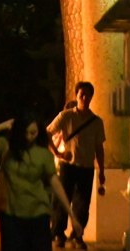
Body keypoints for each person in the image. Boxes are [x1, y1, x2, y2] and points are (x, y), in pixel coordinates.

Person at [0, 113, 82, 251]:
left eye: (33, 132)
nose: (29, 137)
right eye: (25, 132)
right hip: (11, 215)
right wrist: (4, 125)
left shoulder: (43, 154)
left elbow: (56, 184)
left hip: (38, 214)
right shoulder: (8, 147)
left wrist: (72, 215)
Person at [46, 82, 105, 249]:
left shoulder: (96, 122)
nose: (84, 98)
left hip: (86, 167)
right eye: (81, 95)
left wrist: (101, 170)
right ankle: (58, 233)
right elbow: (47, 132)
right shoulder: (66, 116)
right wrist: (57, 154)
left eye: (87, 95)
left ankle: (77, 235)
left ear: (92, 97)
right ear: (76, 96)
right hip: (68, 166)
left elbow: (99, 147)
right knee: (61, 201)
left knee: (82, 203)